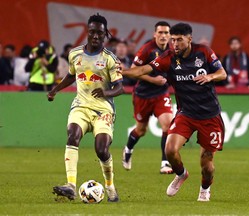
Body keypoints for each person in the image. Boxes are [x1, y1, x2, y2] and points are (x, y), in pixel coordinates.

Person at [121, 23, 227, 201]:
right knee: (170, 150)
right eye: (173, 40)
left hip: (210, 116)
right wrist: (121, 71)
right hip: (186, 114)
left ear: (189, 39)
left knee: (207, 164)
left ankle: (204, 189)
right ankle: (181, 174)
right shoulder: (168, 57)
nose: (175, 44)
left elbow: (222, 73)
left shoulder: (204, 52)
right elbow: (142, 70)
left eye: (179, 40)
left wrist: (210, 76)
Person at [47, 13, 124, 202]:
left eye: (99, 33)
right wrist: (55, 89)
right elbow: (72, 75)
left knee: (102, 149)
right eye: (92, 32)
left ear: (105, 34)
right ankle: (71, 185)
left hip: (103, 110)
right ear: (87, 32)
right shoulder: (75, 54)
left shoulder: (110, 59)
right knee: (72, 135)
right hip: (81, 106)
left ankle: (110, 186)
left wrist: (106, 93)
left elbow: (120, 88)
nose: (95, 36)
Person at [122, 21, 174, 174]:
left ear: (170, 35)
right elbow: (133, 71)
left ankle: (165, 163)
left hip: (161, 94)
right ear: (154, 34)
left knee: (168, 124)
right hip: (143, 95)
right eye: (160, 33)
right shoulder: (147, 49)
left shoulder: (173, 50)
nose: (163, 36)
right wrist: (153, 80)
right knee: (141, 129)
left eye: (166, 33)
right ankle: (128, 149)